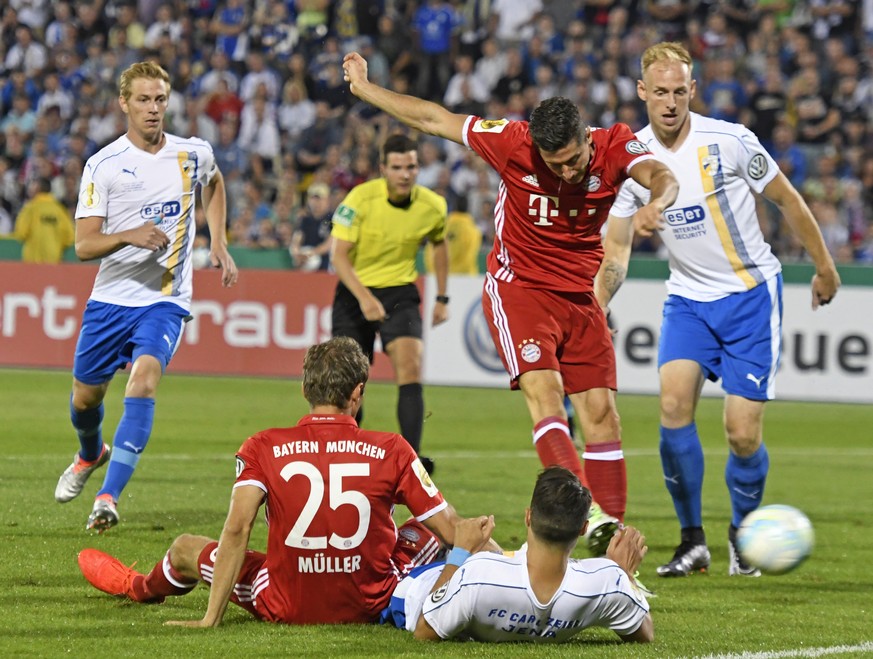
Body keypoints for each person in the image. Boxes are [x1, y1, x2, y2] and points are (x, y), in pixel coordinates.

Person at [341, 52, 679, 554]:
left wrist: (657, 203)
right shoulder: (512, 142)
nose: (566, 172)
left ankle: (613, 555)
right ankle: (590, 518)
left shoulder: (614, 146)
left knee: (604, 415)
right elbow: (435, 118)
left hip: (581, 297)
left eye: (573, 160)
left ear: (588, 138)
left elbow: (660, 174)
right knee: (546, 397)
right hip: (518, 289)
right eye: (554, 164)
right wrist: (367, 89)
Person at [595, 42, 841, 578]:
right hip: (687, 299)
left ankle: (744, 537)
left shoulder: (729, 141)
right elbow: (615, 251)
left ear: (692, 91)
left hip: (751, 295)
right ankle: (692, 542)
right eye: (659, 92)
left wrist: (824, 266)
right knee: (672, 406)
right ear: (642, 92)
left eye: (679, 91)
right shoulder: (630, 159)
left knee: (741, 433)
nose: (670, 102)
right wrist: (596, 306)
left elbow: (788, 200)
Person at [76, 337, 493, 627]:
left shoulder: (262, 446)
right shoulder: (394, 448)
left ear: (304, 389)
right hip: (373, 599)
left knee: (185, 548)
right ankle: (526, 576)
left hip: (281, 600)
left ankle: (139, 587)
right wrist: (485, 543)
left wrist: (210, 618)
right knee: (440, 528)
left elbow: (237, 528)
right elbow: (453, 533)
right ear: (358, 393)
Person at [54, 61, 239, 533]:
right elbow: (83, 245)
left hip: (164, 300)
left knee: (145, 379)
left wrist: (217, 239)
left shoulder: (193, 152)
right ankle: (91, 453)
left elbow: (214, 184)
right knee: (83, 400)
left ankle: (108, 498)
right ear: (124, 103)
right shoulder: (104, 165)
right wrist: (129, 235)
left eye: (160, 99)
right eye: (143, 100)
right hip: (110, 300)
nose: (153, 109)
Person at [384, 466, 653, 643]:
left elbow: (425, 629)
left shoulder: (477, 575)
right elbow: (644, 633)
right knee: (493, 550)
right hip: (498, 572)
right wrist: (624, 575)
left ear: (528, 517)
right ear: (583, 529)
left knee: (421, 531)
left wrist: (460, 552)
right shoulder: (608, 583)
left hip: (410, 588)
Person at [329, 133, 449, 475]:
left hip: (400, 292)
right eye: (397, 167)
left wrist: (442, 296)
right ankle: (347, 451)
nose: (405, 174)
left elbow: (439, 246)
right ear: (383, 168)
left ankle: (412, 461)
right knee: (351, 381)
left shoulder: (433, 205)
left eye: (411, 166)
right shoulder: (359, 199)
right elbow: (339, 257)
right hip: (355, 291)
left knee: (411, 364)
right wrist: (365, 298)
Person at [13, 177, 74, 263]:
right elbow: (69, 237)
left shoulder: (30, 208)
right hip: (54, 262)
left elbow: (21, 233)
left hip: (32, 262)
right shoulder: (60, 210)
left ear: (37, 188)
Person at [289, 182, 333, 272]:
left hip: (326, 266)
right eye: (313, 198)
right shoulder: (305, 220)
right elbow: (296, 239)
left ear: (327, 200)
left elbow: (330, 243)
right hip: (306, 265)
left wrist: (311, 254)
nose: (316, 202)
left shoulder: (332, 218)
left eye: (320, 199)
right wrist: (297, 253)